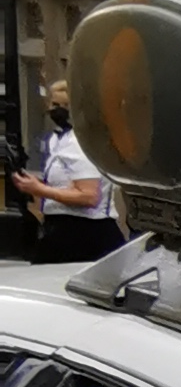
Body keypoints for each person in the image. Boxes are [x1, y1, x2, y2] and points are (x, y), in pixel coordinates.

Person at [12, 87, 119, 263]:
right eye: (55, 104)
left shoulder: (80, 143)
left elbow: (89, 197)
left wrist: (40, 189)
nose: (58, 110)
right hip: (61, 227)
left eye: (66, 105)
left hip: (84, 231)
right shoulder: (59, 139)